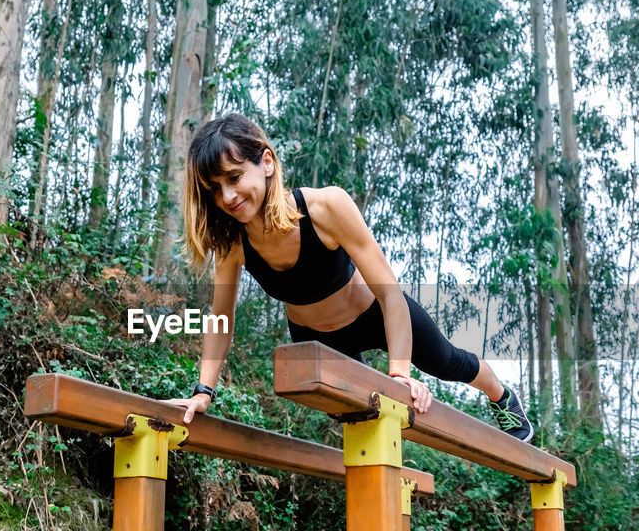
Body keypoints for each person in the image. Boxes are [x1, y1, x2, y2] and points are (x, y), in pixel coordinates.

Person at [163, 113, 533, 443]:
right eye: (215, 188)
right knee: (354, 413)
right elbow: (221, 320)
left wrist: (400, 375)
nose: (227, 196)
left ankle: (501, 396)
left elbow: (390, 295)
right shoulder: (233, 244)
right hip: (317, 338)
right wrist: (203, 391)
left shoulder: (326, 207)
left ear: (267, 162)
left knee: (448, 362)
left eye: (234, 177)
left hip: (374, 314)